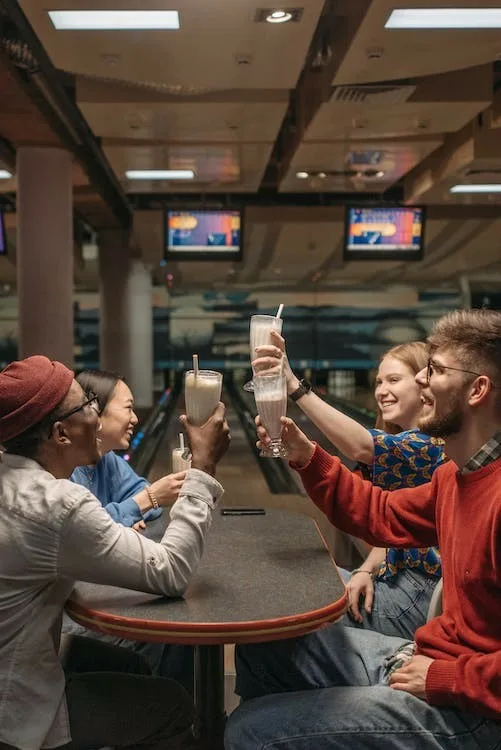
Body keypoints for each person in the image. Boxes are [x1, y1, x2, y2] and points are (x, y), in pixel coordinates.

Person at [226, 308, 501, 750]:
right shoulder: (455, 476)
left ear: (478, 390)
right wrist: (306, 455)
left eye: (435, 371)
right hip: (431, 663)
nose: (423, 382)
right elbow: (382, 514)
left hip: (472, 711)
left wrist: (446, 677)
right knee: (266, 641)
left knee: (250, 731)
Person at [0, 355, 230, 750]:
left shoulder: (15, 479)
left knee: (136, 668)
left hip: (24, 654)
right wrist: (203, 467)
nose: (95, 411)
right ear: (61, 434)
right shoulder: (57, 504)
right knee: (172, 704)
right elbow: (170, 572)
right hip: (14, 707)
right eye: (87, 406)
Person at [252, 336, 445, 638]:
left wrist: (294, 386)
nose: (382, 391)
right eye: (378, 382)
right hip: (402, 580)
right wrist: (366, 569)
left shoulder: (430, 445)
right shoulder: (410, 446)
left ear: (424, 383)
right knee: (289, 586)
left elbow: (359, 446)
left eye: (394, 379)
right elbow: (396, 525)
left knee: (285, 608)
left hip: (420, 595)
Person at [67, 369, 194, 691]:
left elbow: (144, 496)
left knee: (178, 627)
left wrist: (126, 513)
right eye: (128, 408)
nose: (136, 418)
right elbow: (86, 529)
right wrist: (130, 510)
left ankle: (171, 710)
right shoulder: (67, 471)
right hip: (75, 614)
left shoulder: (106, 460)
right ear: (95, 411)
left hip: (103, 589)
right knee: (172, 628)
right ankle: (154, 708)